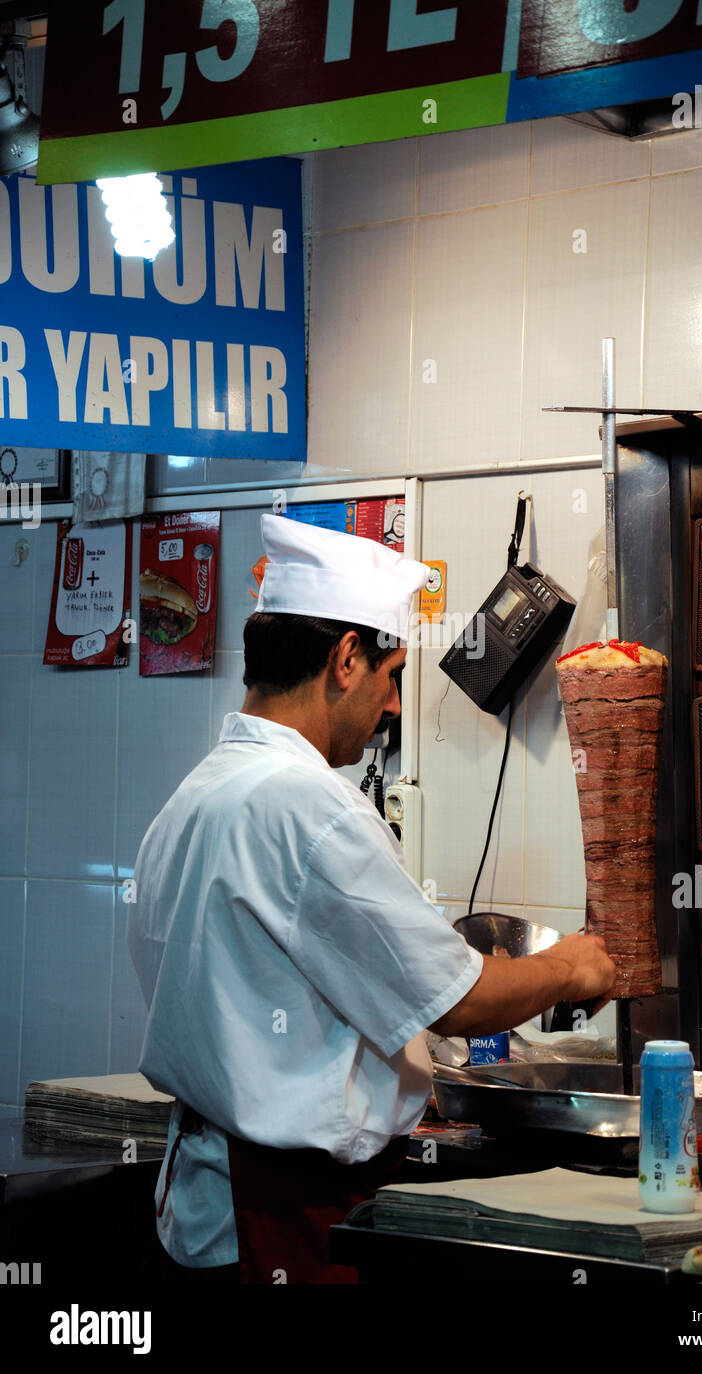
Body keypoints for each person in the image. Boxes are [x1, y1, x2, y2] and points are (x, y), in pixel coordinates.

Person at [128, 513, 617, 1284]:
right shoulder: (307, 805)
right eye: (392, 679)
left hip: (208, 1200)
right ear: (346, 660)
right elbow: (453, 1000)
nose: (393, 709)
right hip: (285, 1212)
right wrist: (578, 967)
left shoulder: (199, 793)